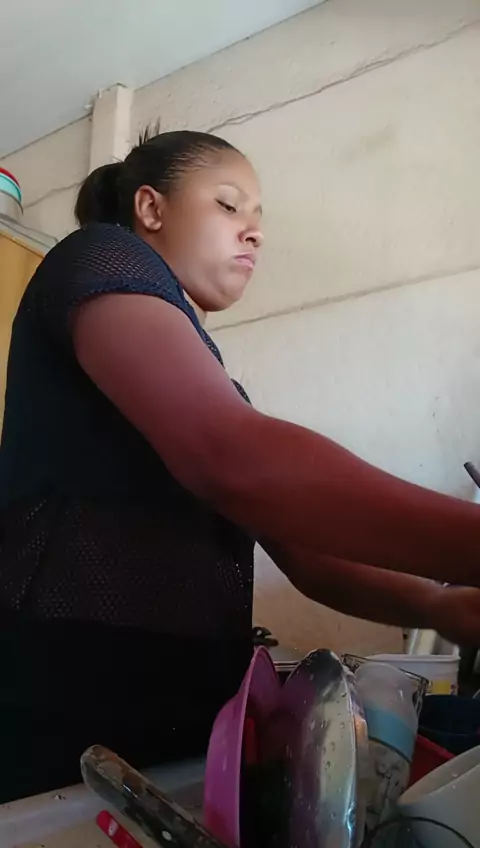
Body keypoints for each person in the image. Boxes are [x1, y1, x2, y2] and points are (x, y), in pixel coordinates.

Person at [0, 129, 479, 803]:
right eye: (229, 205)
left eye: (259, 221)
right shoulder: (100, 254)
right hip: (65, 710)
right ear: (151, 207)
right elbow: (232, 456)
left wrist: (437, 604)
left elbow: (308, 557)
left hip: (172, 721)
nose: (253, 233)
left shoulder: (215, 385)